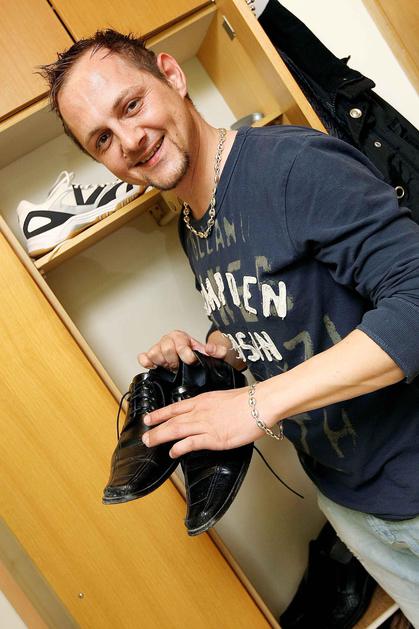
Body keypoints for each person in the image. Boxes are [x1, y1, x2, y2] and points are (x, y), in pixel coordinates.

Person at [40, 29, 419, 624]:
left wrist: (255, 406)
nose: (130, 141)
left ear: (172, 75)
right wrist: (215, 348)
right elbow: (271, 310)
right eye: (103, 139)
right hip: (349, 501)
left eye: (131, 105)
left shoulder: (294, 168)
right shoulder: (191, 225)